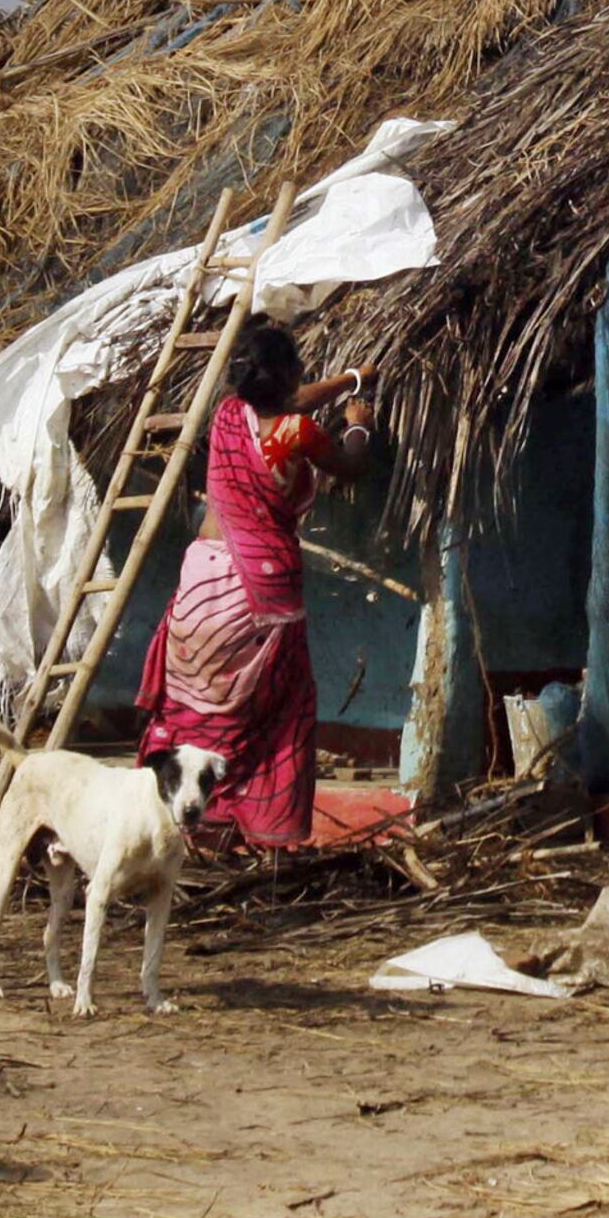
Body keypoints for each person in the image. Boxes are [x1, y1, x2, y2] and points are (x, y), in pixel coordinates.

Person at [132, 317, 376, 849]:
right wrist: (358, 421)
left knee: (192, 712)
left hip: (199, 589)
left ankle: (179, 826)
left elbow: (287, 400)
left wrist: (347, 378)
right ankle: (242, 827)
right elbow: (351, 465)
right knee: (269, 715)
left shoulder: (227, 416)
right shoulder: (297, 432)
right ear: (286, 376)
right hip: (258, 597)